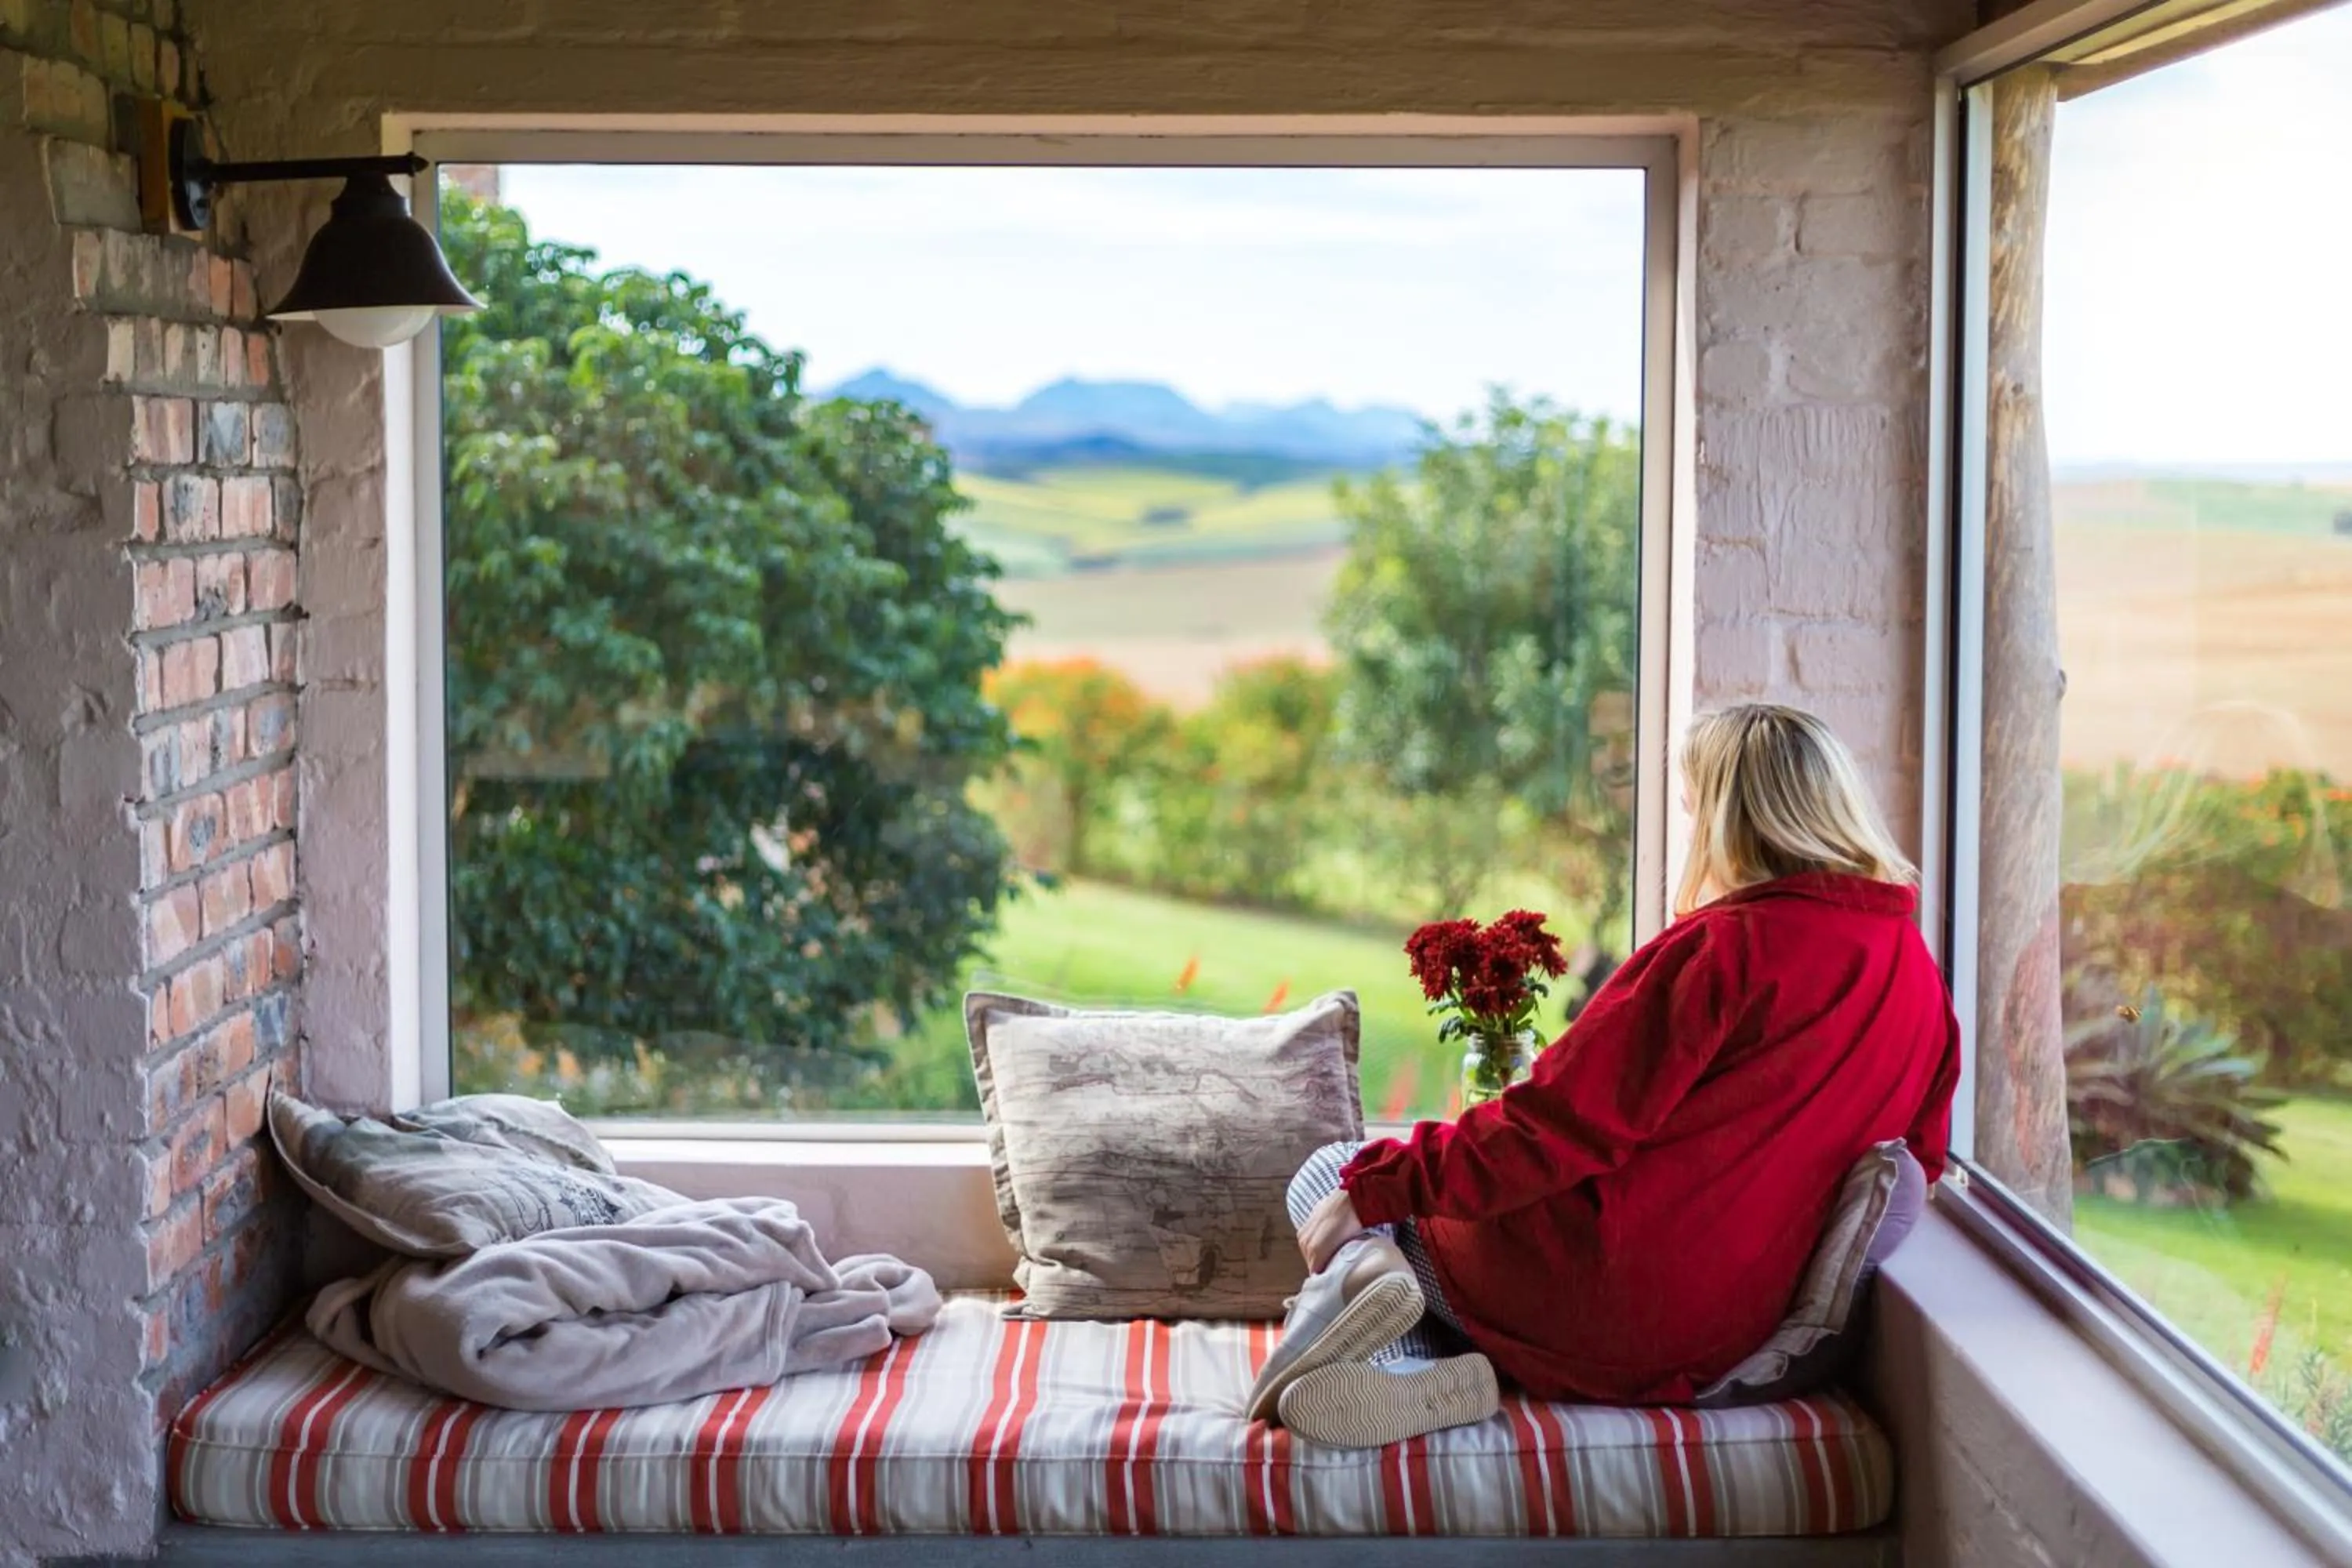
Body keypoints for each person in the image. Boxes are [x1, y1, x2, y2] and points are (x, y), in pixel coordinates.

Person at [1247, 703, 1961, 1447]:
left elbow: (1554, 1125)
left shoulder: (1722, 951)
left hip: (1594, 1294)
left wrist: (1375, 1188)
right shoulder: (1921, 982)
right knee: (1401, 1214)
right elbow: (1920, 1164)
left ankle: (1394, 1360)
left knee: (1335, 1172)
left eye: (1694, 811)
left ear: (1730, 819)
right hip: (1725, 1337)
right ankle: (1409, 1360)